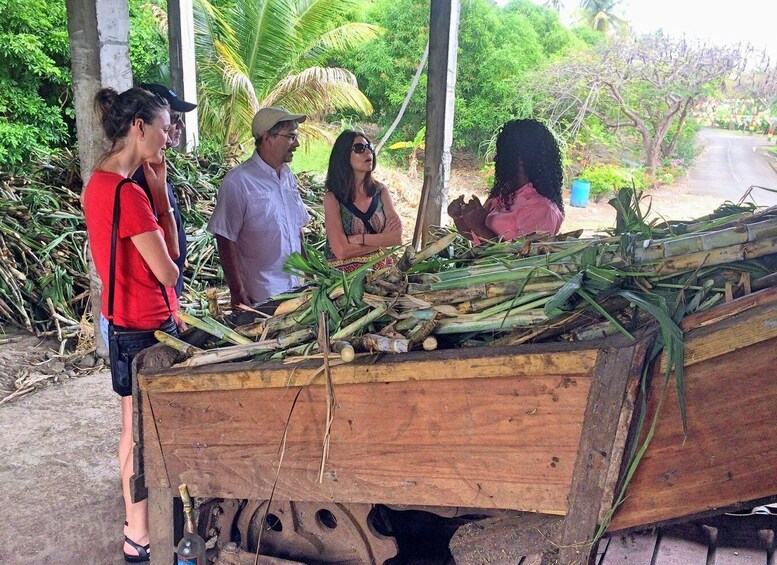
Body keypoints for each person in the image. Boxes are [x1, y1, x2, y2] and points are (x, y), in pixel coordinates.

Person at [83, 87, 180, 563]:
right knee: (144, 432)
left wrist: (156, 188)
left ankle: (136, 529)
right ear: (138, 127)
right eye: (163, 128)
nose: (168, 137)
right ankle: (140, 533)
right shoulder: (128, 194)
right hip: (146, 326)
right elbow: (170, 268)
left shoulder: (97, 184)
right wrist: (157, 197)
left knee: (131, 428)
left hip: (119, 321)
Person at [207, 107, 310, 306]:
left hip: (297, 291)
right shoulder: (238, 181)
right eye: (290, 137)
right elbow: (225, 238)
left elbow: (298, 230)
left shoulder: (288, 177)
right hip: (262, 295)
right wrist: (237, 293)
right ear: (267, 138)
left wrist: (310, 274)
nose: (296, 144)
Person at [448, 119, 564, 242]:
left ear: (520, 160)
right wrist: (460, 218)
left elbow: (523, 258)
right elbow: (476, 240)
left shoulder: (543, 209)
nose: (495, 159)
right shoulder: (504, 194)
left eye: (503, 154)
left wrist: (479, 226)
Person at [133, 83, 197, 298]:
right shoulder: (136, 182)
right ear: (142, 127)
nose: (179, 127)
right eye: (172, 121)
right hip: (154, 304)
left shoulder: (153, 169)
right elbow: (168, 255)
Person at [323, 131, 402, 271]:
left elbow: (396, 238)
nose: (368, 153)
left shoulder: (380, 191)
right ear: (344, 155)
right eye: (360, 148)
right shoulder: (332, 198)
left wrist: (360, 239)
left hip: (381, 272)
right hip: (344, 280)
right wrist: (381, 240)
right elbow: (341, 251)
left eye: (369, 147)